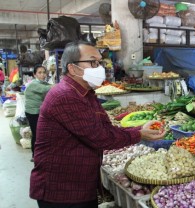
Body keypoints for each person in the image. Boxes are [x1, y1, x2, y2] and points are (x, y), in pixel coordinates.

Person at [29, 41, 165, 208]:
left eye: (100, 62)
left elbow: (105, 128)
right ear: (72, 68)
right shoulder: (65, 96)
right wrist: (139, 134)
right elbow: (100, 138)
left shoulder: (86, 93)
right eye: (93, 62)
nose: (99, 67)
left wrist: (140, 129)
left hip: (79, 185)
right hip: (61, 191)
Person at [24, 64, 52, 161]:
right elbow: (46, 89)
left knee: (41, 132)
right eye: (39, 73)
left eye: (44, 72)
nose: (42, 75)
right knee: (36, 133)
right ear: (34, 74)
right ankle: (34, 155)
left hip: (39, 111)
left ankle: (41, 153)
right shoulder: (33, 84)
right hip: (32, 112)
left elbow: (48, 86)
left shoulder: (43, 83)